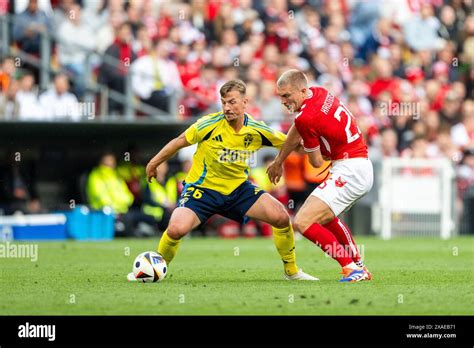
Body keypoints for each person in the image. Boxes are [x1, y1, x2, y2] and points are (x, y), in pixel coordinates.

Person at [128, 79, 317, 281]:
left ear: (245, 102)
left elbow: (293, 145)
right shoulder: (208, 124)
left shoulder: (256, 130)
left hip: (238, 190)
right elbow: (178, 142)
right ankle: (155, 270)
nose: (227, 107)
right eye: (224, 102)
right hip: (202, 190)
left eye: (232, 102)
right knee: (176, 229)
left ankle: (292, 271)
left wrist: (322, 146)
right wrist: (153, 163)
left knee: (280, 216)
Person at [267, 69, 373, 283]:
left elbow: (316, 162)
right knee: (325, 218)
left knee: (303, 221)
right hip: (359, 165)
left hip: (349, 169)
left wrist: (303, 147)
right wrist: (279, 161)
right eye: (281, 97)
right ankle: (358, 265)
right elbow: (298, 127)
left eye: (287, 95)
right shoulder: (319, 92)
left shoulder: (307, 117)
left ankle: (351, 268)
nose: (284, 101)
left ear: (302, 90)